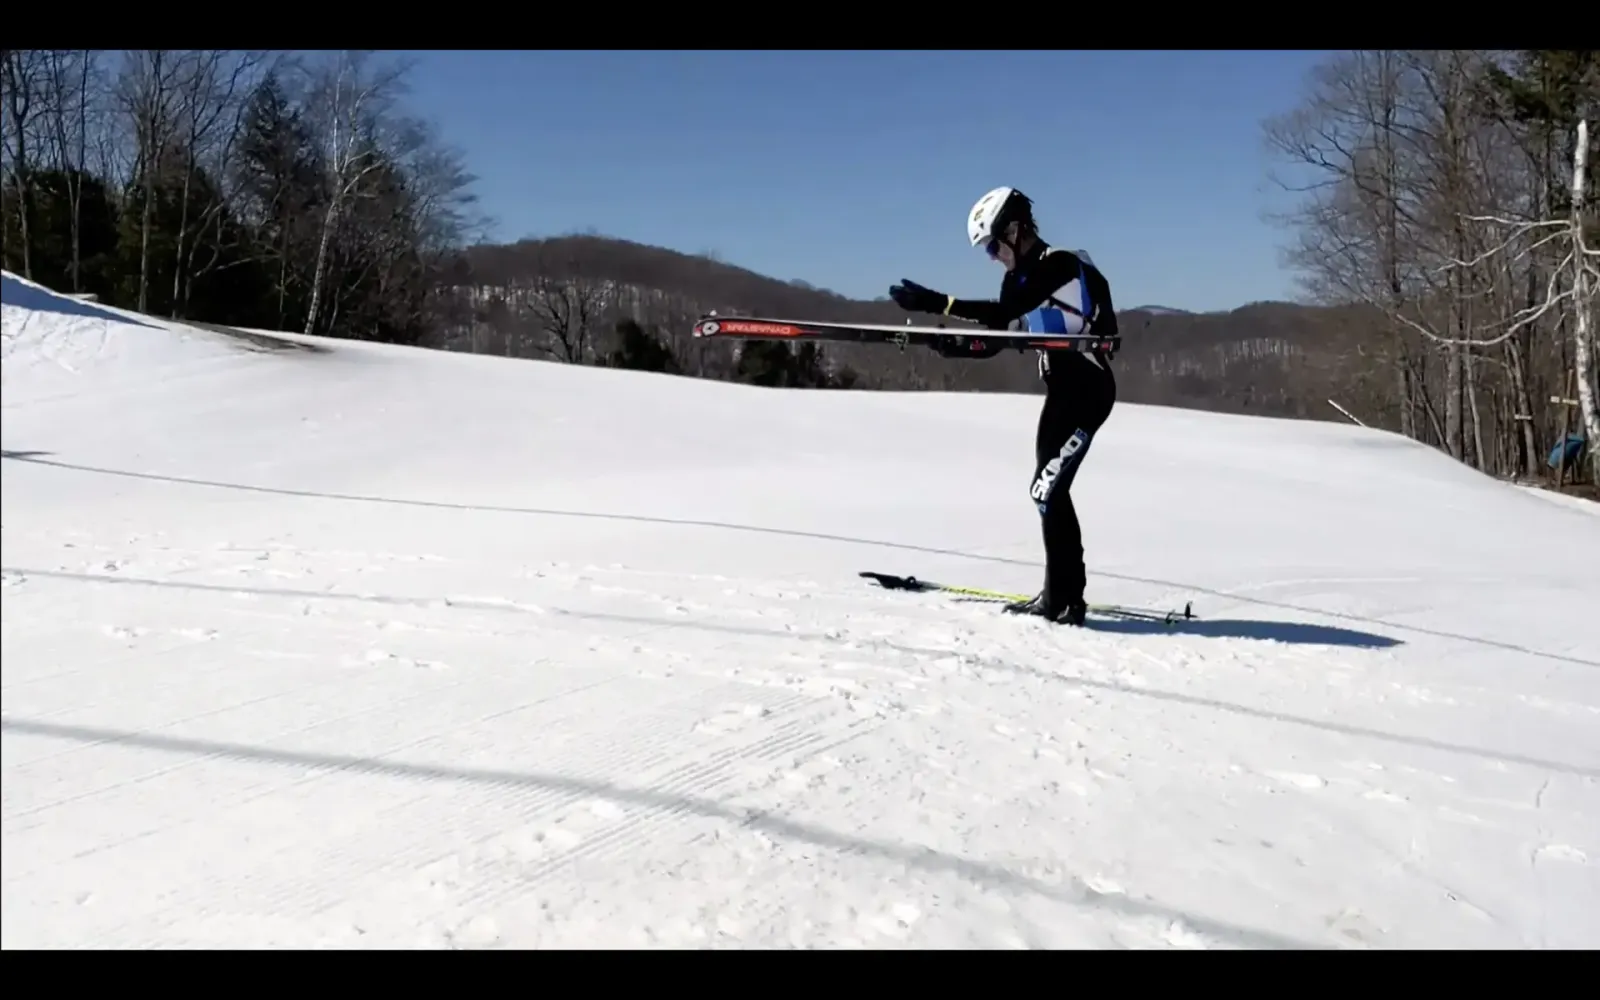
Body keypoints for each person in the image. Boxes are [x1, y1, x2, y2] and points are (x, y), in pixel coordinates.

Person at [886, 186, 1118, 626]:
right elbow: (1000, 336)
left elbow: (1003, 315)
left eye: (993, 245)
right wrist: (950, 347)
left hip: (1089, 392)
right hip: (1062, 395)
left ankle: (1065, 602)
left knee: (1046, 490)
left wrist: (941, 303)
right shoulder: (1017, 280)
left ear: (1014, 230)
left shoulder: (1060, 264)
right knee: (1048, 493)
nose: (992, 256)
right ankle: (1062, 596)